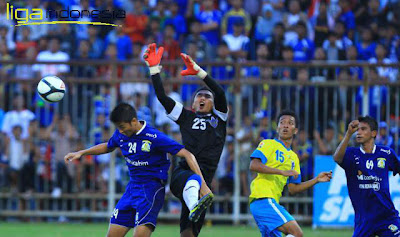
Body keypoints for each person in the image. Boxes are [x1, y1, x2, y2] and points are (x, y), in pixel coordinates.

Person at [64, 103, 211, 237]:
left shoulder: (154, 137)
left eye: (122, 126)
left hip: (151, 189)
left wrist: (203, 185)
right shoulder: (121, 134)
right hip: (132, 188)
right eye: (118, 127)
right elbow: (108, 146)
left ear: (134, 121)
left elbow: (187, 154)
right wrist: (82, 152)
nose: (120, 131)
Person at [143, 43, 228, 237]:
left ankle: (195, 203)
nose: (203, 98)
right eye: (199, 96)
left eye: (207, 96)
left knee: (187, 233)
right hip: (183, 172)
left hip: (205, 177)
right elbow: (162, 97)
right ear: (192, 103)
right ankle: (194, 202)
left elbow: (221, 93)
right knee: (192, 183)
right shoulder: (185, 116)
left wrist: (198, 71)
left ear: (214, 104)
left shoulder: (220, 118)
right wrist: (154, 70)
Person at [249, 110, 332, 237]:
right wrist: (281, 171)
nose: (285, 126)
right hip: (263, 199)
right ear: (277, 128)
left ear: (296, 130)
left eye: (290, 123)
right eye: (282, 123)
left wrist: (316, 180)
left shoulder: (294, 158)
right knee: (297, 233)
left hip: (270, 202)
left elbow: (293, 189)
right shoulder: (268, 143)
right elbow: (254, 165)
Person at [333, 116, 400, 237]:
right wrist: (348, 134)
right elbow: (337, 158)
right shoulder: (351, 154)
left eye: (363, 129)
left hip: (387, 216)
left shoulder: (386, 153)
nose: (359, 132)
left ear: (373, 133)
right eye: (358, 129)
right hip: (364, 220)